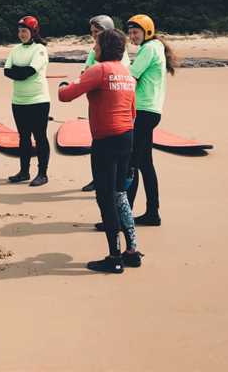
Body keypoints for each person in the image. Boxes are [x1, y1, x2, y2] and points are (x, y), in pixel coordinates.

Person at [59, 29, 142, 272]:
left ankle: (114, 258)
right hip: (127, 137)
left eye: (96, 46)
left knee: (105, 197)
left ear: (104, 48)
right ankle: (132, 251)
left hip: (105, 140)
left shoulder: (100, 70)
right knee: (120, 195)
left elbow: (65, 95)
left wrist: (66, 83)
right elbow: (133, 111)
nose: (93, 50)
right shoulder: (126, 74)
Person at [126, 14, 178, 226]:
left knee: (131, 164)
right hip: (151, 111)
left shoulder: (149, 48)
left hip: (143, 111)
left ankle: (124, 216)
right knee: (145, 164)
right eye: (130, 32)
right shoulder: (154, 47)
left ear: (147, 31)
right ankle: (152, 213)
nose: (132, 36)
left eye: (135, 31)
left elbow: (130, 77)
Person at [81, 15, 131, 193]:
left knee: (112, 149)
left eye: (98, 32)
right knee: (97, 143)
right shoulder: (94, 50)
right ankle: (98, 179)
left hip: (116, 106)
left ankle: (113, 186)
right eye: (92, 32)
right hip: (97, 102)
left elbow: (119, 75)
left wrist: (91, 77)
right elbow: (85, 72)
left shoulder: (119, 52)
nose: (94, 36)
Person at [4, 15, 51, 187]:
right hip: (18, 101)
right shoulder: (15, 50)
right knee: (23, 137)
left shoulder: (40, 49)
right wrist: (19, 72)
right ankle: (24, 172)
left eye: (25, 31)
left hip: (39, 100)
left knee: (40, 137)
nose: (21, 34)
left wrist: (18, 71)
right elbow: (6, 71)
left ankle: (42, 174)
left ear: (33, 31)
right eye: (20, 31)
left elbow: (28, 72)